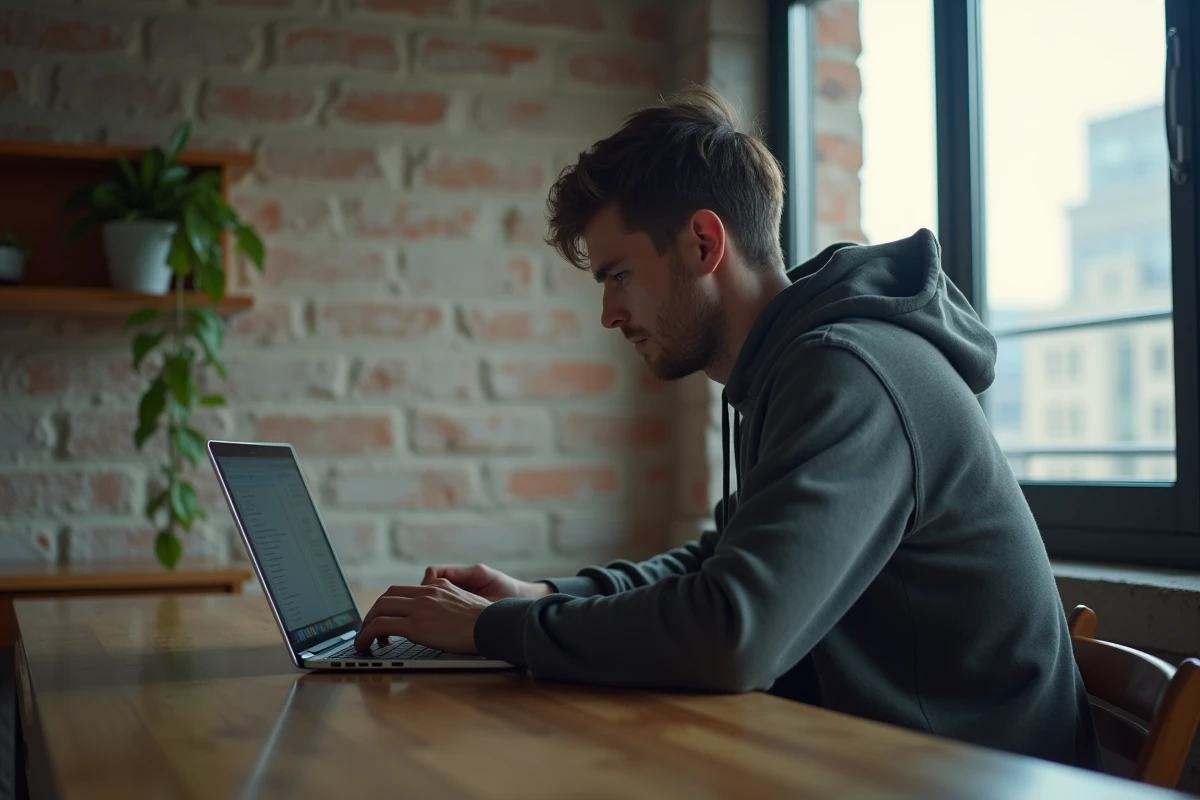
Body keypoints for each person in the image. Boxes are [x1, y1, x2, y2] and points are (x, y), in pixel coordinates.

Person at [355, 86, 1101, 769]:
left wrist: (492, 631)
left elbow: (734, 634)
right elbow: (722, 566)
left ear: (703, 246)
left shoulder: (848, 373)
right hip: (877, 760)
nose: (610, 315)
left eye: (618, 276)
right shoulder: (796, 367)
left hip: (972, 778)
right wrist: (538, 594)